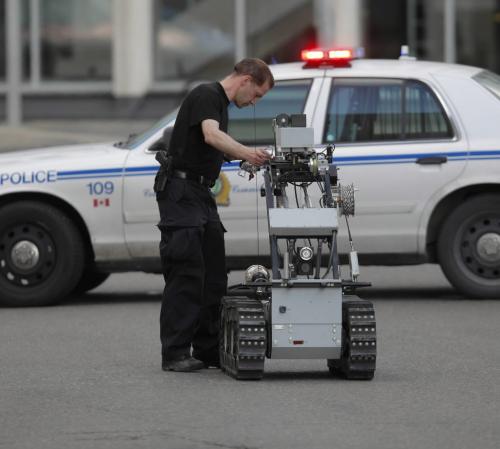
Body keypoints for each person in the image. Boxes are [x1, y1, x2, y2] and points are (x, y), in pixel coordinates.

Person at [155, 58, 274, 372]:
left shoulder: (221, 104)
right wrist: (248, 152)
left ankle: (207, 349)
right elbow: (210, 135)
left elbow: (209, 147)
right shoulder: (207, 94)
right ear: (246, 80)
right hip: (181, 194)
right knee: (187, 272)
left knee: (213, 274)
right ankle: (175, 352)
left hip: (199, 194)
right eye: (258, 94)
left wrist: (242, 161)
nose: (254, 103)